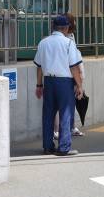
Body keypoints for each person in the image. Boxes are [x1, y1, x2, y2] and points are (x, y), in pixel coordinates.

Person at [34, 15, 84, 156]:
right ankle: (64, 147)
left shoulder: (43, 43)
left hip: (48, 81)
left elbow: (39, 67)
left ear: (53, 27)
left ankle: (48, 146)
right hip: (64, 83)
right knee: (66, 113)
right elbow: (74, 67)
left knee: (48, 115)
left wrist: (39, 85)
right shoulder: (68, 43)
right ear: (66, 28)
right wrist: (79, 86)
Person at [54, 13, 84, 139]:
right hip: (67, 76)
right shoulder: (66, 40)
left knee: (66, 105)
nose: (76, 23)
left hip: (62, 76)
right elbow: (73, 64)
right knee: (63, 106)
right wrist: (79, 83)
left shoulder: (70, 37)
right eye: (74, 21)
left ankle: (69, 128)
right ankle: (60, 134)